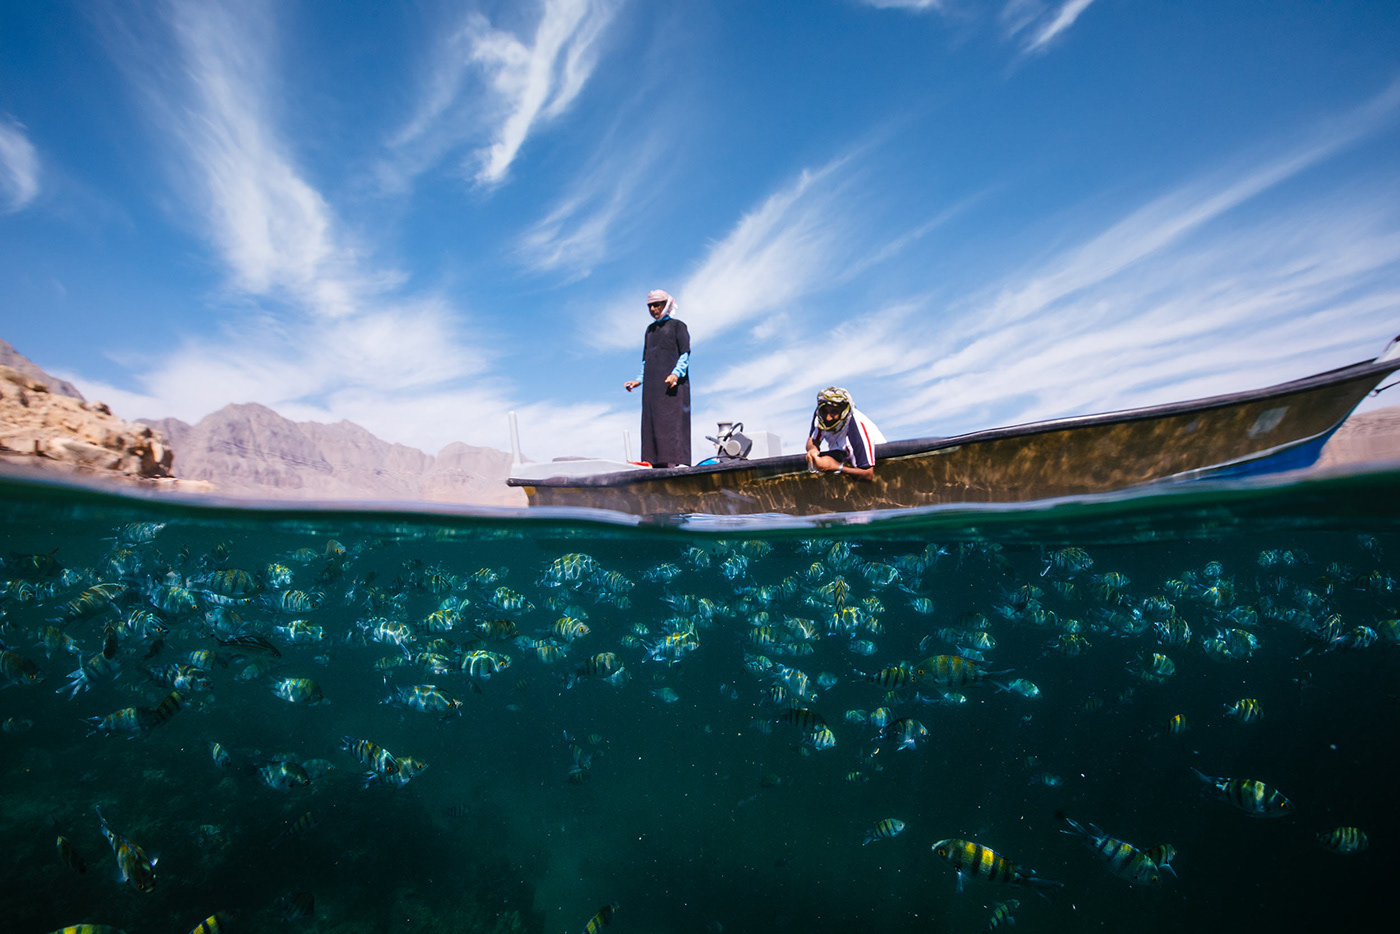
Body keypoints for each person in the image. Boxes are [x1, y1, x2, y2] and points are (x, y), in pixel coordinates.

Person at [623, 289, 691, 467]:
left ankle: (676, 463)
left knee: (672, 423)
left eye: (657, 305)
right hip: (652, 388)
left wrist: (676, 373)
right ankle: (652, 463)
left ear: (666, 304)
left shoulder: (678, 326)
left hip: (672, 387)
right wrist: (639, 380)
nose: (653, 309)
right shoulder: (650, 331)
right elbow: (647, 360)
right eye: (650, 306)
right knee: (651, 422)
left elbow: (685, 354)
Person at [805, 386, 885, 482]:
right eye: (825, 411)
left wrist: (836, 467)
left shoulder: (857, 428)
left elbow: (868, 474)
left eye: (834, 412)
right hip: (843, 458)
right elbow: (812, 440)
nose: (828, 418)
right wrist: (813, 450)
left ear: (844, 412)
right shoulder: (820, 416)